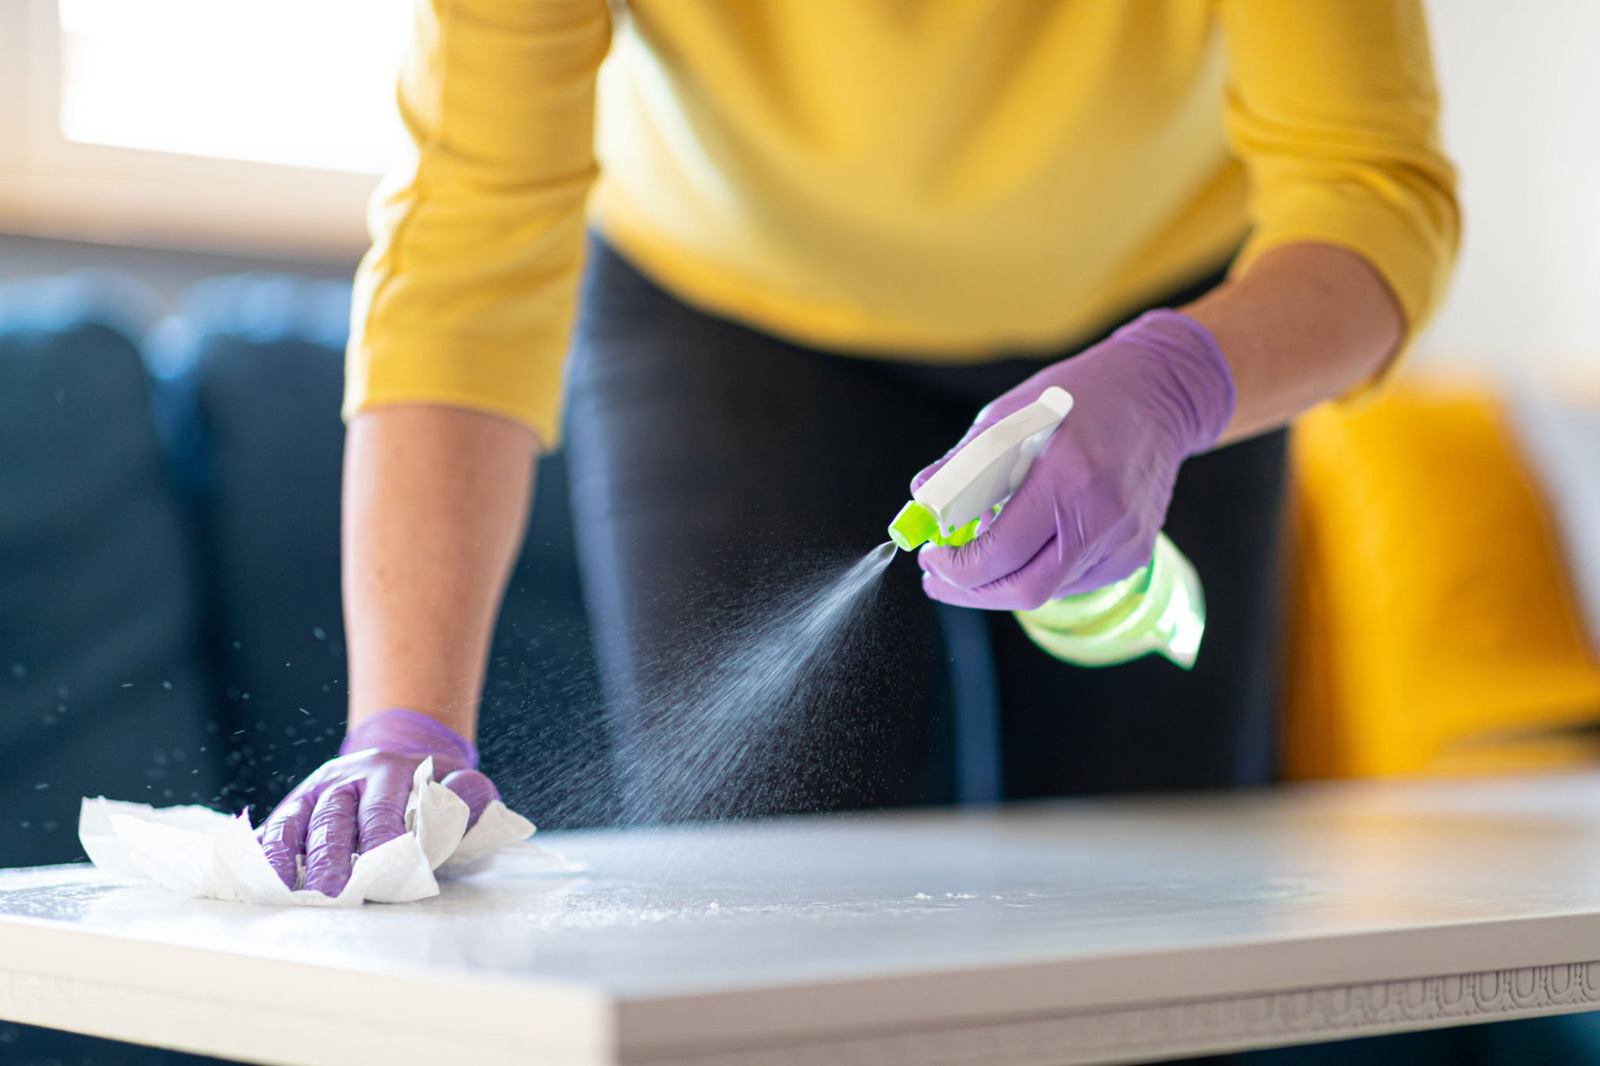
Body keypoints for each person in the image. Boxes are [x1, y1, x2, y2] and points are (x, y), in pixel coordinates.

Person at [259, 1, 1457, 897]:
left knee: (1156, 908)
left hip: (1170, 312)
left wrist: (1182, 383)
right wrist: (403, 724)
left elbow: (1370, 190)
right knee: (757, 915)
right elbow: (464, 257)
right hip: (721, 309)